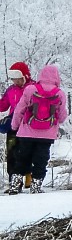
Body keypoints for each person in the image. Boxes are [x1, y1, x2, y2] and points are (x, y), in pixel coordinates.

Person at [9, 65, 67, 194]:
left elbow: (19, 110)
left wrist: (14, 126)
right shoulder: (59, 93)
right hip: (47, 135)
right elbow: (62, 117)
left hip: (26, 133)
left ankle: (15, 185)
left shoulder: (31, 89)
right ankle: (35, 187)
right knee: (41, 160)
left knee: (22, 158)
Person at [0, 62, 28, 190]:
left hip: (28, 127)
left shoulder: (32, 88)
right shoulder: (11, 90)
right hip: (13, 126)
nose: (15, 81)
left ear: (25, 76)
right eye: (13, 79)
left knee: (26, 153)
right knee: (11, 153)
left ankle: (28, 177)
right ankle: (14, 181)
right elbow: (3, 105)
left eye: (18, 78)